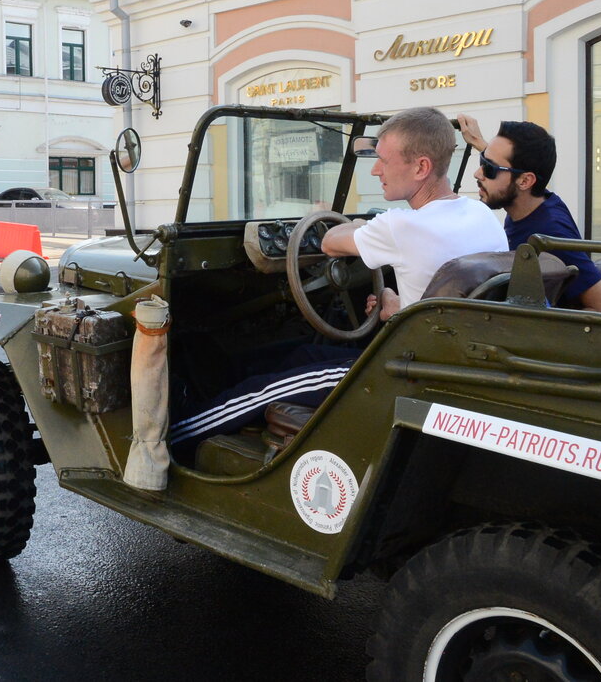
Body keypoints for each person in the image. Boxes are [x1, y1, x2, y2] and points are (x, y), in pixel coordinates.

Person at [169, 107, 506, 455]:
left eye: (384, 161)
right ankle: (204, 396)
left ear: (421, 167)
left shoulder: (402, 225)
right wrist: (399, 304)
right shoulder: (480, 214)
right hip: (450, 357)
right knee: (302, 353)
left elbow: (330, 241)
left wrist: (347, 224)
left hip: (404, 373)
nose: (375, 170)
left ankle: (176, 438)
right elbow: (453, 296)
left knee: (263, 390)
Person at [457, 115, 601, 314]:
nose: (478, 173)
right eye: (482, 161)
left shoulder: (551, 233)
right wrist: (480, 145)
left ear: (526, 181)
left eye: (489, 169)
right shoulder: (534, 202)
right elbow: (508, 169)